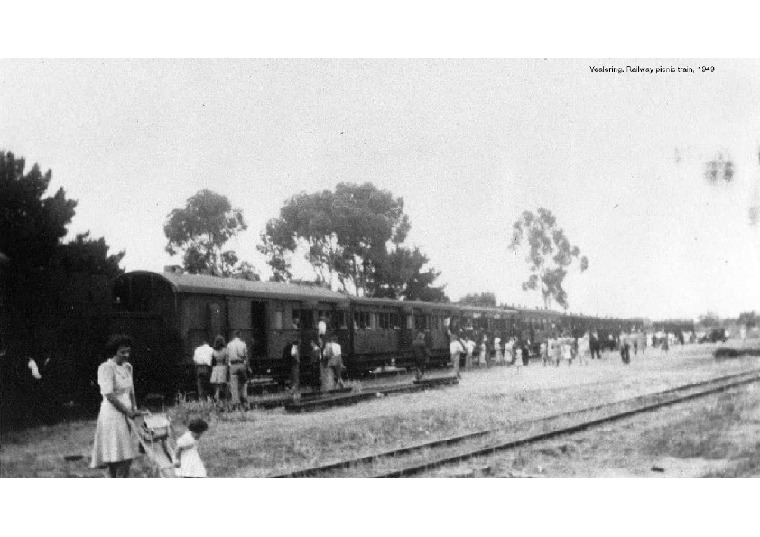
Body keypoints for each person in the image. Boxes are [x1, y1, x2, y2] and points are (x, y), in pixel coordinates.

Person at [90, 334, 145, 478]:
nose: (126, 355)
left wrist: (134, 408)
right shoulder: (106, 368)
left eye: (128, 351)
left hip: (126, 413)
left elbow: (131, 390)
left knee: (121, 453)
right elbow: (109, 395)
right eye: (122, 352)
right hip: (112, 414)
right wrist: (127, 411)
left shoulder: (128, 367)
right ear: (114, 351)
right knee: (121, 455)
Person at [226, 330, 249, 409]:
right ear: (240, 335)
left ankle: (236, 403)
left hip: (233, 366)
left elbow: (227, 357)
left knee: (234, 385)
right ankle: (244, 402)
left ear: (234, 335)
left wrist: (229, 366)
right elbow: (246, 356)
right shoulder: (243, 344)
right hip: (241, 364)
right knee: (243, 384)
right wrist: (247, 367)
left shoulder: (229, 345)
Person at [209, 335, 229, 403]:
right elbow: (226, 361)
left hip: (216, 368)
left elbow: (212, 361)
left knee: (216, 385)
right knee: (222, 385)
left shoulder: (213, 351)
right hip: (223, 367)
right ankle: (222, 399)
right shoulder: (225, 350)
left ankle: (216, 396)